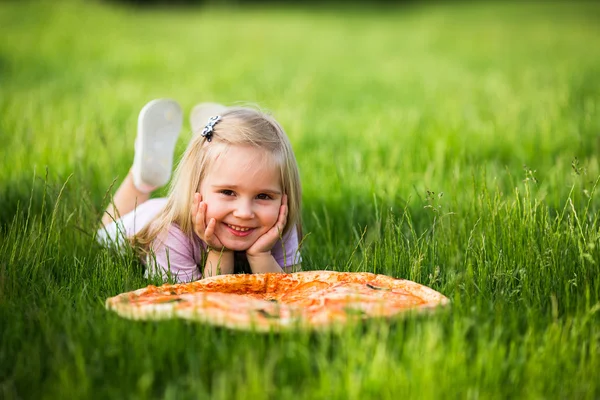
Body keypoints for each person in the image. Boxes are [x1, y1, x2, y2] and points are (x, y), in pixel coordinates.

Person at [97, 99, 303, 283]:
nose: (244, 212)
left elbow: (290, 291)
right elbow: (201, 301)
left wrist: (261, 254)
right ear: (195, 189)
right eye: (228, 192)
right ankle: (141, 179)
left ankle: (219, 143)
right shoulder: (169, 236)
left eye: (263, 196)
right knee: (103, 232)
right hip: (144, 219)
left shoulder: (275, 224)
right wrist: (218, 250)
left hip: (202, 208)